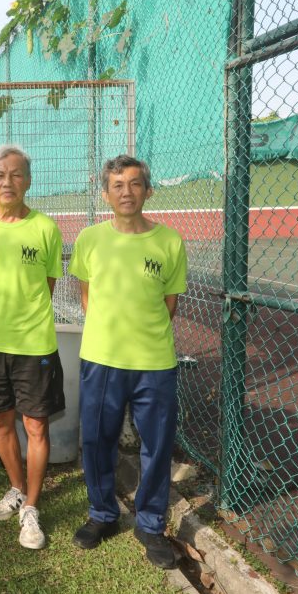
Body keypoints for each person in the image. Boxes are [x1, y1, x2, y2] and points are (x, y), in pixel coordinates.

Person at [68, 154, 188, 569]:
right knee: (97, 440)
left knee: (157, 445)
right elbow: (87, 295)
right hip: (101, 360)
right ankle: (102, 514)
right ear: (106, 193)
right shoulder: (89, 239)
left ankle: (150, 524)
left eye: (135, 184)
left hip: (154, 363)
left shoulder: (169, 241)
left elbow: (169, 305)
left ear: (148, 191)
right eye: (117, 185)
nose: (126, 192)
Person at [0, 145, 66, 549]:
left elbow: (48, 285)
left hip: (34, 345)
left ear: (29, 180)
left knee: (36, 425)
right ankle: (17, 488)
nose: (8, 182)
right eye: (0, 175)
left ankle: (32, 509)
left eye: (17, 174)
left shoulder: (46, 228)